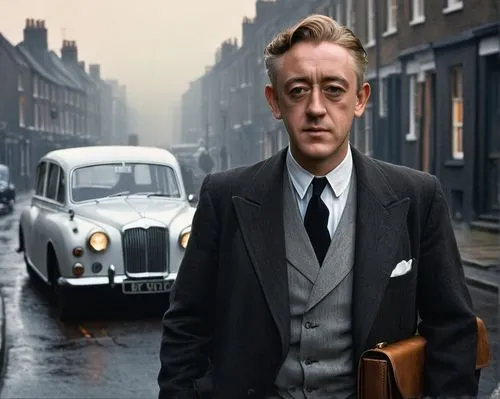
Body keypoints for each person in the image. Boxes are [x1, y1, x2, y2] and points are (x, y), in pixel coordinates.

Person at [158, 14, 478, 399]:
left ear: (360, 100)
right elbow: (186, 329)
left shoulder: (418, 198)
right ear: (274, 101)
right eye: (297, 91)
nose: (315, 108)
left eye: (333, 90)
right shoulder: (224, 198)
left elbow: (453, 332)